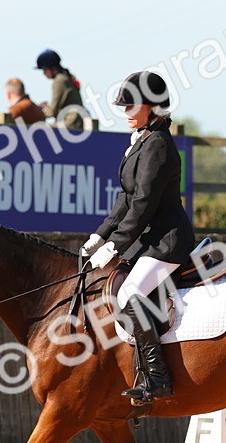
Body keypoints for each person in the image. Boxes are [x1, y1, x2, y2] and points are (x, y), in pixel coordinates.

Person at [81, 70, 192, 405]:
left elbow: (144, 203)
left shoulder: (158, 145)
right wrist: (100, 236)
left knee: (129, 295)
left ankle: (157, 378)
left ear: (152, 106)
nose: (126, 112)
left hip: (168, 241)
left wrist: (117, 244)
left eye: (132, 106)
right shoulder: (143, 140)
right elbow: (125, 200)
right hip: (150, 240)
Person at [35, 49, 86, 131]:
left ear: (52, 68)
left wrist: (37, 112)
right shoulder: (65, 77)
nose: (43, 73)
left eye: (44, 70)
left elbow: (52, 112)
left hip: (71, 123)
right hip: (76, 121)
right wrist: (46, 107)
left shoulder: (59, 81)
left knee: (38, 130)